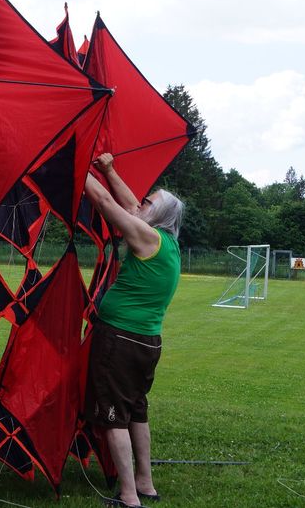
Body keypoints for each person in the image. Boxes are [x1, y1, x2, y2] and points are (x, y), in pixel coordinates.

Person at [82, 153, 184, 508]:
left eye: (149, 202)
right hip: (146, 343)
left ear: (159, 214)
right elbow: (127, 203)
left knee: (113, 416)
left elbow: (105, 202)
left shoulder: (146, 237)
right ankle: (145, 481)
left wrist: (78, 166)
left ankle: (128, 496)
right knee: (137, 411)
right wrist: (108, 170)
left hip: (120, 341)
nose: (141, 202)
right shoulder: (167, 244)